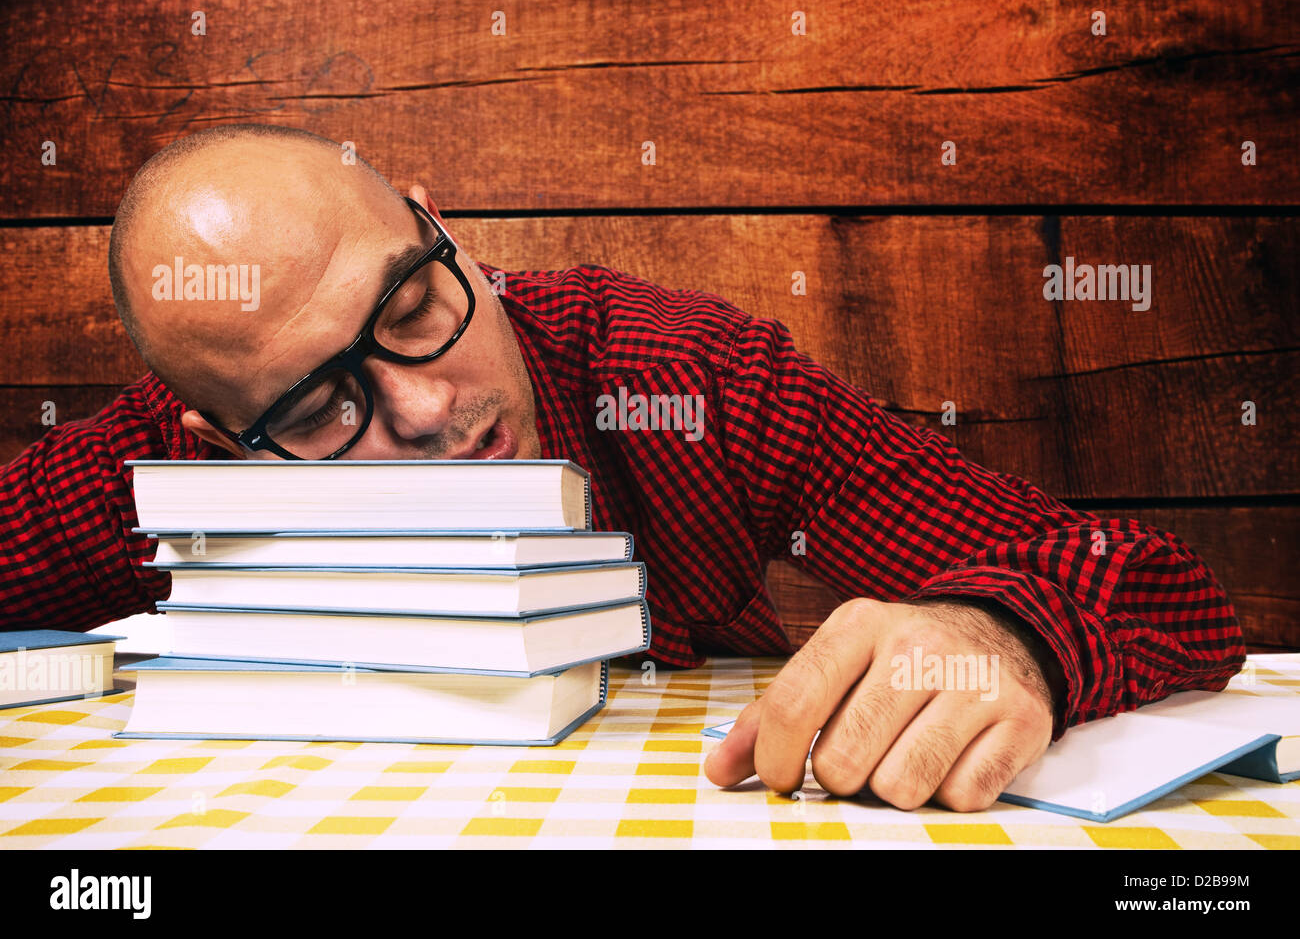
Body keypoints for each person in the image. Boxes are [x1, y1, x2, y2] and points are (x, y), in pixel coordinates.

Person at [0, 124, 1245, 813]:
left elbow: (1157, 586)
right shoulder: (168, 461)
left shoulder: (687, 380)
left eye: (414, 301)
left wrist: (1005, 634)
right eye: (325, 407)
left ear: (447, 234)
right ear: (228, 448)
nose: (433, 407)